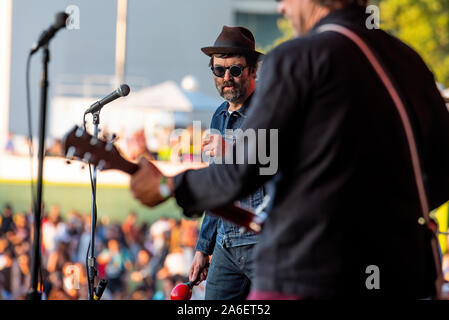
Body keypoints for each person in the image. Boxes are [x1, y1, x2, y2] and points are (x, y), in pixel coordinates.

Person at [130, 0, 449, 299]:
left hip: (312, 273)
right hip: (401, 271)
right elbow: (442, 174)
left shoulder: (300, 56)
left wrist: (168, 184)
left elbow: (242, 171)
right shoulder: (408, 60)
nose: (281, 7)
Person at [185, 26, 265, 300]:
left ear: (253, 70)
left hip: (264, 243)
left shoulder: (271, 108)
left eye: (235, 69)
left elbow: (276, 165)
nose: (226, 77)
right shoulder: (219, 115)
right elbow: (216, 187)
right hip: (225, 244)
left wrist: (231, 150)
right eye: (219, 71)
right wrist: (202, 248)